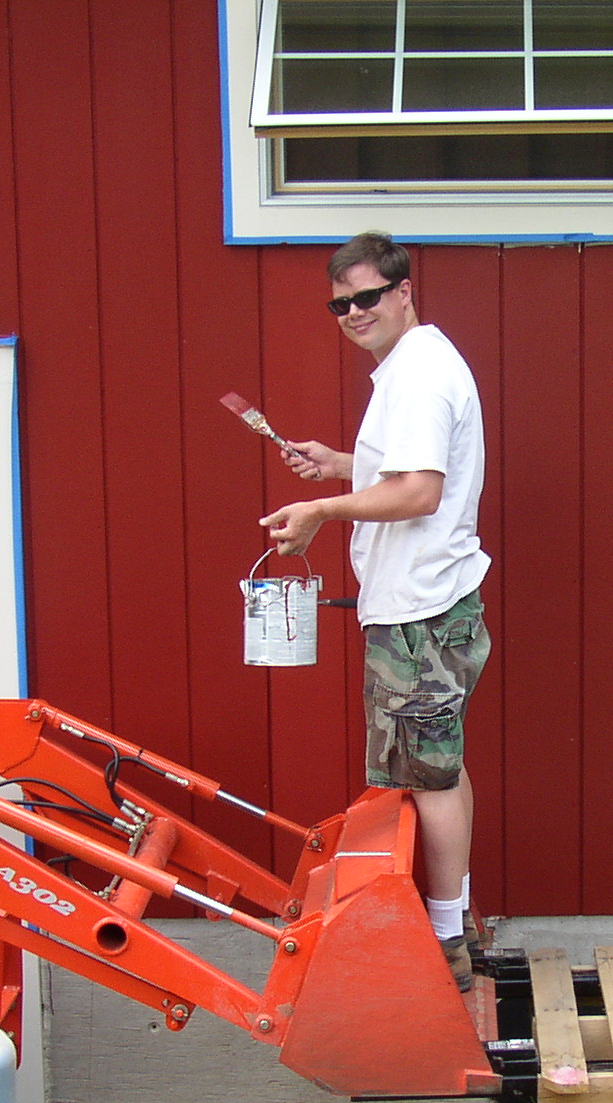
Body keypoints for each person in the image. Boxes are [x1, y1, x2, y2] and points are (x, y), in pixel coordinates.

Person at [260, 232, 490, 991]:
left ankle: (447, 943)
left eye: (367, 297)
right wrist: (341, 465)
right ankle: (457, 918)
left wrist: (322, 508)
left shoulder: (418, 374)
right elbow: (413, 471)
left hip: (420, 611)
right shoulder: (416, 364)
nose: (355, 313)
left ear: (403, 290)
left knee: (429, 777)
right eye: (341, 304)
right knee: (439, 768)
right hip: (432, 602)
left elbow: (420, 491)